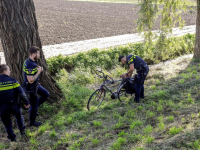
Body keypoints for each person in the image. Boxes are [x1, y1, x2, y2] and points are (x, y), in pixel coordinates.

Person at [0, 64, 30, 142]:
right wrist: (26, 102)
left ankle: (13, 139)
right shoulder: (13, 81)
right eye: (9, 70)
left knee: (7, 124)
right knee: (19, 118)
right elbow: (21, 93)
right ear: (5, 71)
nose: (10, 71)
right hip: (14, 105)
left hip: (2, 107)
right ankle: (23, 133)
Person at [23, 46, 49, 127]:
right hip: (31, 87)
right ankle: (32, 122)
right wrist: (38, 72)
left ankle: (33, 110)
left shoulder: (30, 60)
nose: (39, 55)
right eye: (38, 53)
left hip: (36, 85)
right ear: (34, 54)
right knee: (33, 105)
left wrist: (39, 69)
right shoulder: (30, 65)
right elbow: (30, 80)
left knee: (46, 94)